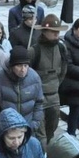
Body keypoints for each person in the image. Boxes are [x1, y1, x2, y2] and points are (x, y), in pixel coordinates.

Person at [0, 46, 44, 144]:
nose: (23, 69)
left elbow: (39, 102)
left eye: (25, 65)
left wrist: (35, 123)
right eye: (19, 66)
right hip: (5, 132)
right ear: (11, 66)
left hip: (27, 130)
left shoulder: (35, 78)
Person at [29, 14, 69, 144]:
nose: (56, 34)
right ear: (44, 31)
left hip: (54, 97)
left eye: (58, 32)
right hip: (38, 98)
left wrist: (56, 84)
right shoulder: (34, 51)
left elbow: (63, 70)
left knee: (51, 130)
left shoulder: (61, 48)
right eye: (53, 32)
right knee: (40, 135)